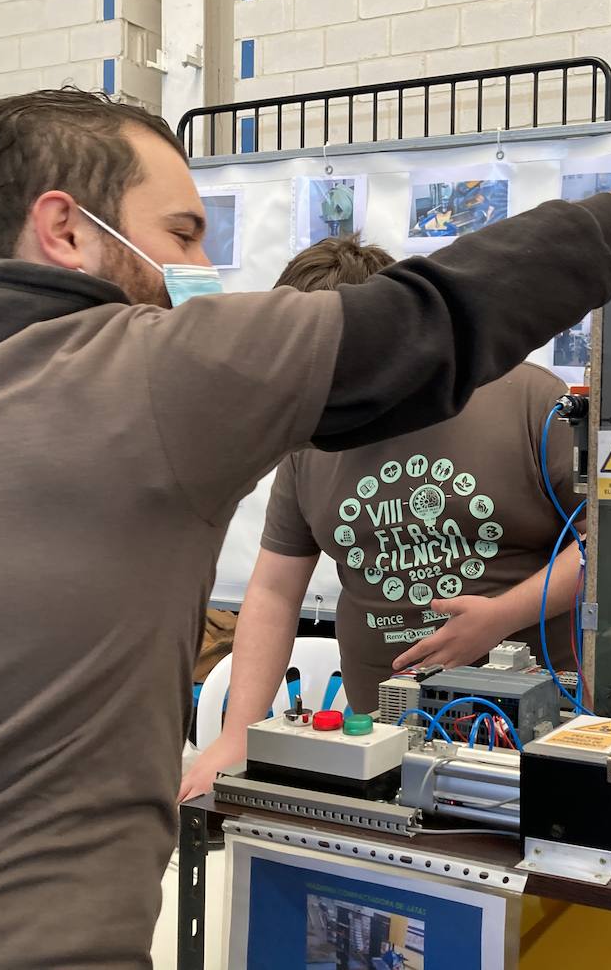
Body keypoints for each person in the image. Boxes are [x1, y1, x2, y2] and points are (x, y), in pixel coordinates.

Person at [0, 86, 611, 967]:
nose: (200, 268)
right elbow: (435, 316)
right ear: (65, 229)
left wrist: (499, 616)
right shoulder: (138, 374)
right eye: (180, 234)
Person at [178, 234, 588, 798]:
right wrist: (236, 735)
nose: (331, 395)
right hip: (378, 736)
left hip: (531, 733)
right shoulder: (311, 439)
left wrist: (503, 615)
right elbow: (273, 591)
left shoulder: (527, 399)